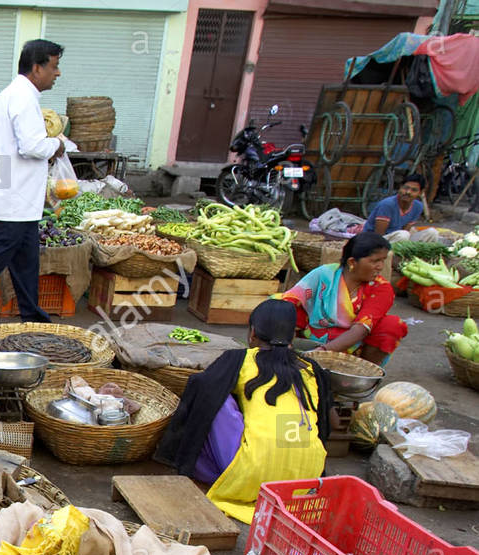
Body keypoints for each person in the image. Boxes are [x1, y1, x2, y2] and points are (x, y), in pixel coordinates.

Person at [155, 299, 334, 524]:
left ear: (252, 333)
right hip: (304, 480)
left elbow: (201, 393)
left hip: (251, 477)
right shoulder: (311, 369)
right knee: (288, 420)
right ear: (292, 337)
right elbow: (327, 423)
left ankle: (224, 473)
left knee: (215, 397)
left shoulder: (239, 359)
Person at [0, 39, 66, 323]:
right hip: (13, 200)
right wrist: (57, 146)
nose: (57, 73)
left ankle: (35, 320)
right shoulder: (23, 98)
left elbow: (3, 149)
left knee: (26, 264)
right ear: (37, 68)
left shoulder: (10, 95)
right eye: (54, 66)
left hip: (15, 199)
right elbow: (32, 146)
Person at [280, 232, 406, 367]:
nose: (380, 266)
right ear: (352, 262)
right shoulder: (325, 274)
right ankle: (282, 352)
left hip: (353, 346)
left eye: (383, 260)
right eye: (375, 261)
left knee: (392, 324)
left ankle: (362, 370)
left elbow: (361, 329)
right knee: (280, 305)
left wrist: (322, 352)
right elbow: (291, 299)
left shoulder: (381, 288)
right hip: (311, 336)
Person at [367, 173, 438, 243]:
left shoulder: (418, 206)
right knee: (403, 235)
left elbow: (406, 230)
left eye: (414, 190)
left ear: (420, 192)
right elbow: (378, 237)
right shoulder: (387, 204)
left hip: (398, 239)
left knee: (432, 232)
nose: (408, 192)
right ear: (400, 187)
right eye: (406, 188)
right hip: (375, 240)